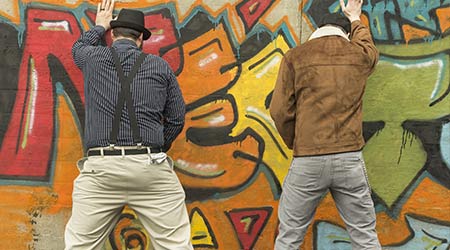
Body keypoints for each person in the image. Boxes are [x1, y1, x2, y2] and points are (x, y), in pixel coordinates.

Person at [64, 0, 193, 249]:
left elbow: (77, 47)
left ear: (114, 34)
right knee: (176, 245)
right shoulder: (159, 66)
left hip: (100, 171)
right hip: (150, 170)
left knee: (80, 245)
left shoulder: (93, 58)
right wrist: (153, 150)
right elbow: (176, 118)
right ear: (140, 40)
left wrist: (98, 27)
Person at [269, 0, 381, 249]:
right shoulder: (357, 54)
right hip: (349, 159)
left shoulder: (295, 57)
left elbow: (278, 110)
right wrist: (355, 17)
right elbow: (369, 50)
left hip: (307, 160)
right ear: (345, 33)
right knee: (364, 236)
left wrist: (297, 142)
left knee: (289, 238)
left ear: (317, 31)